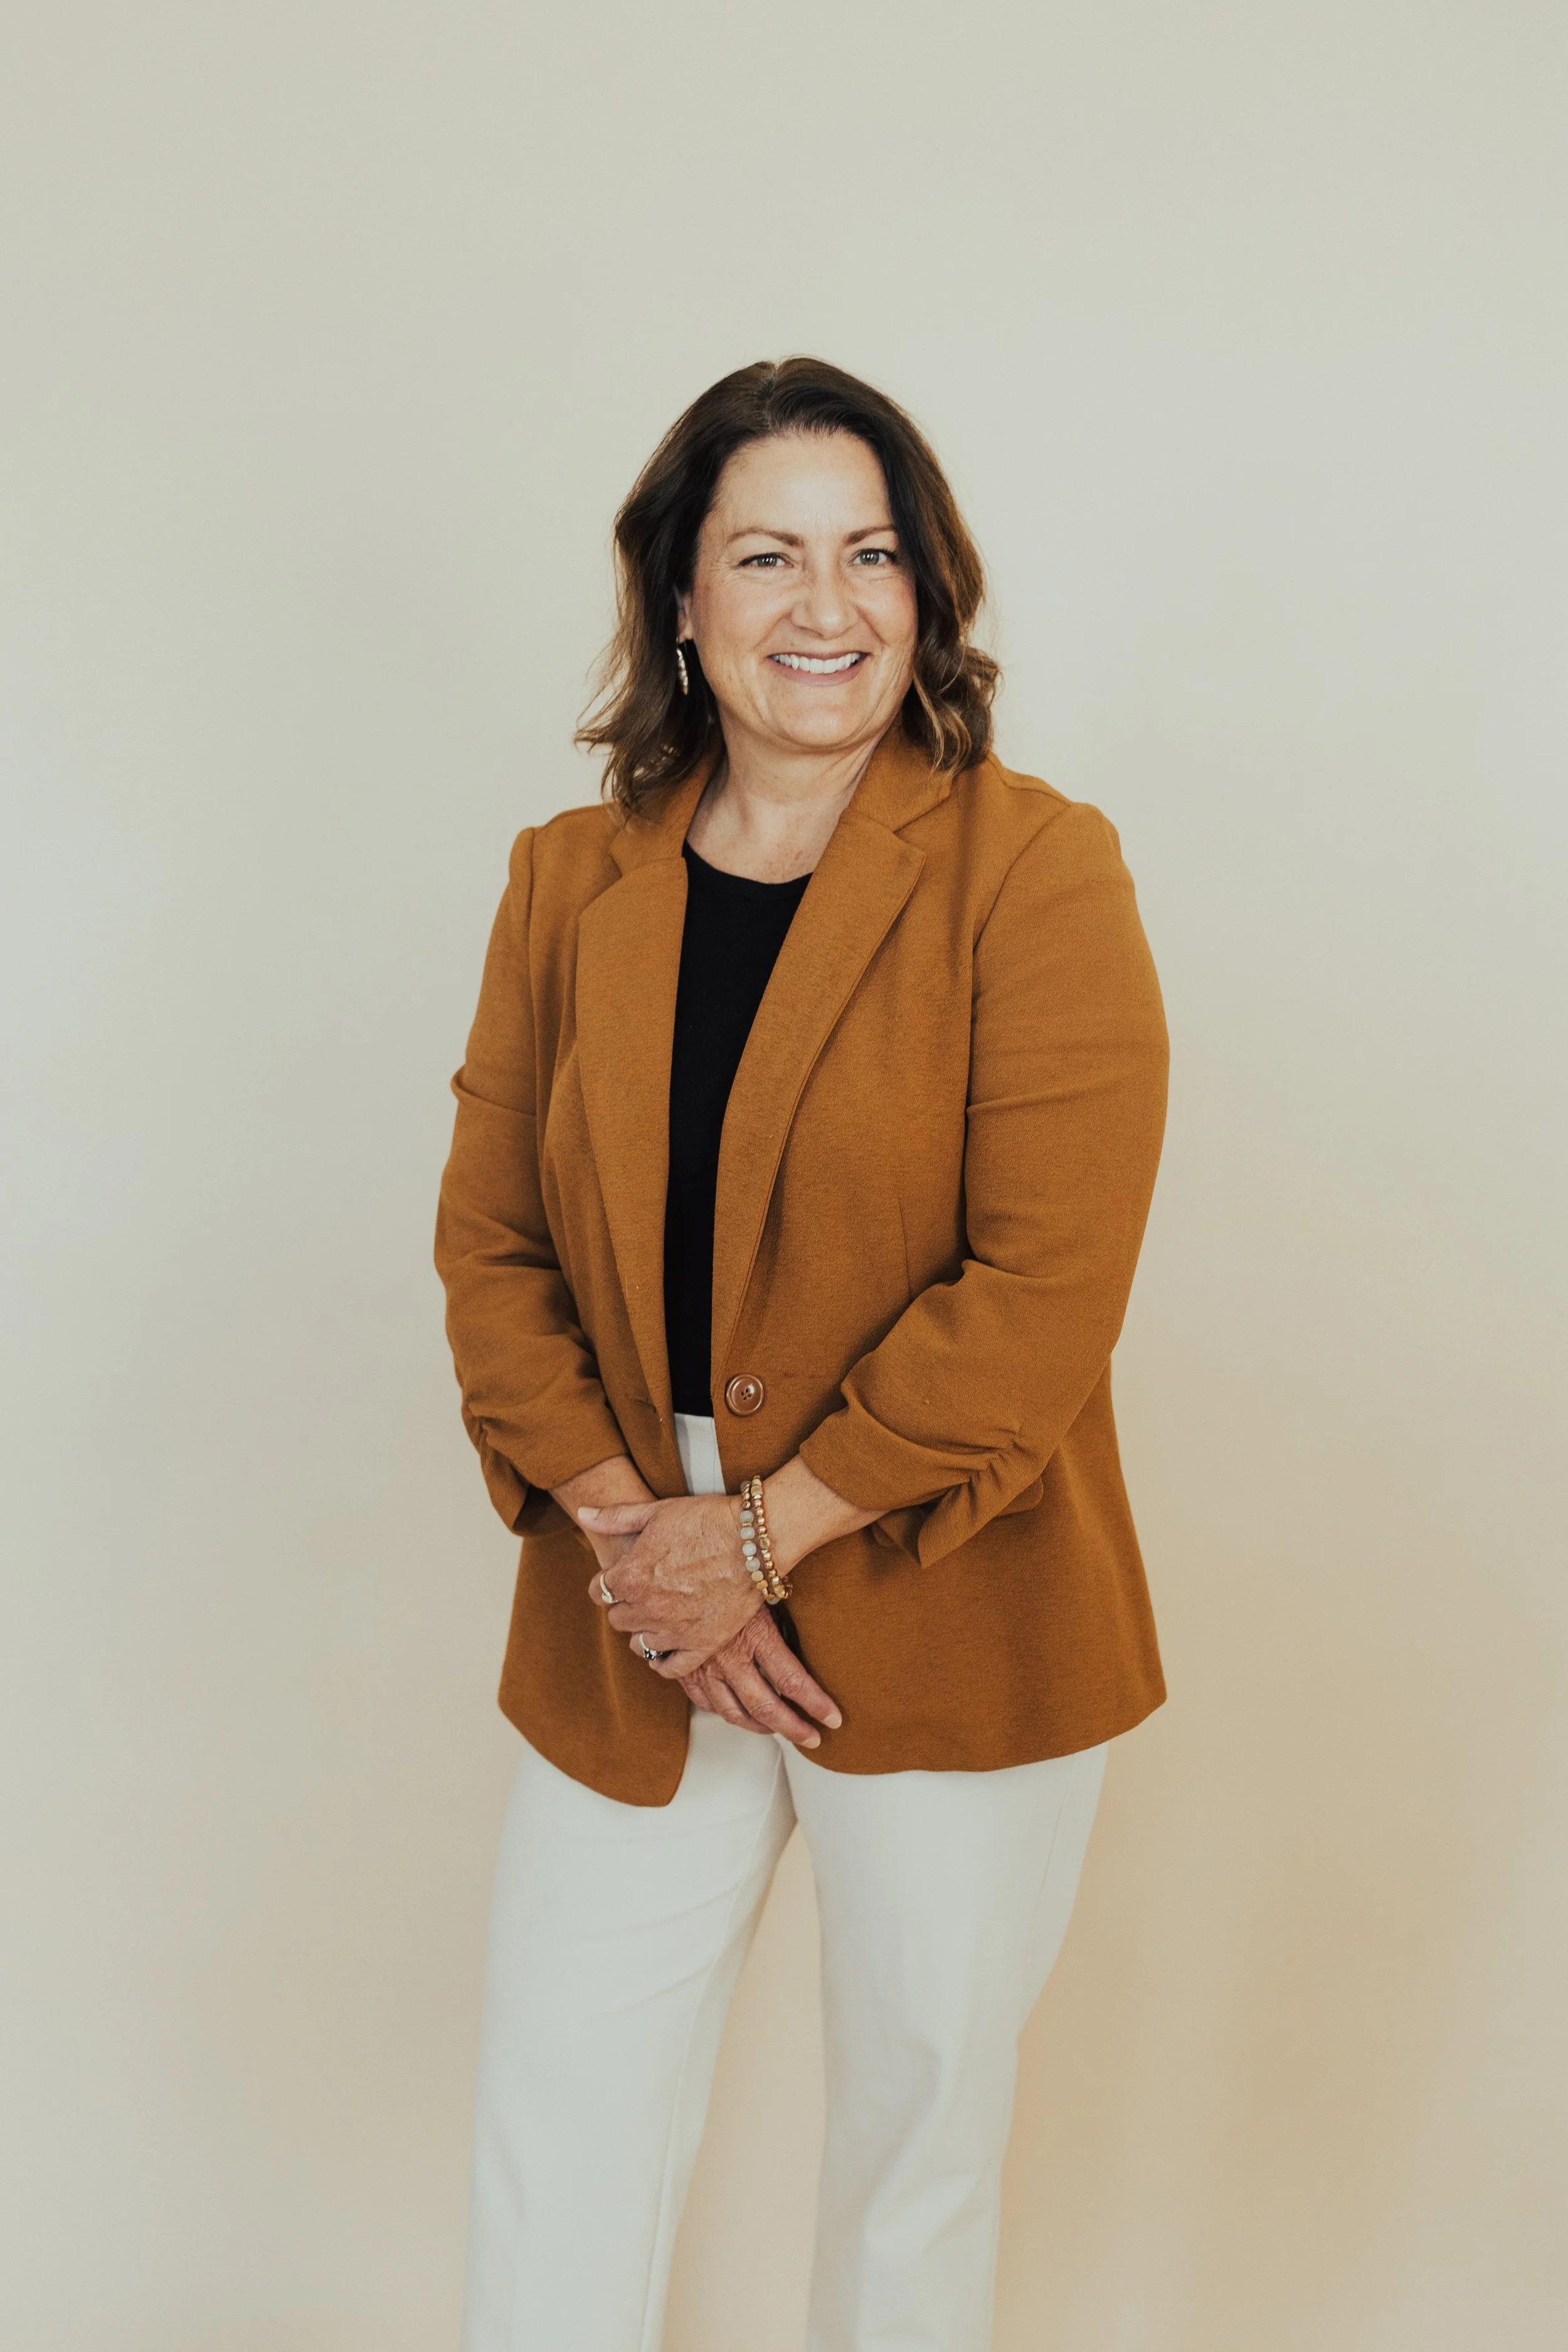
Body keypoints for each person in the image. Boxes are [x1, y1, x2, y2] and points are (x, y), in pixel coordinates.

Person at [435, 355, 1168, 2352]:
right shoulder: (562, 882)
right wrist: (641, 1534)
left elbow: (1042, 1284)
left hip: (935, 1555)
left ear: (927, 597)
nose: (822, 604)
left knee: (914, 2131)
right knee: (560, 2092)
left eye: (871, 555)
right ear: (679, 594)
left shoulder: (1037, 867)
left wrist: (760, 1533)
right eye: (764, 552)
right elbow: (492, 1252)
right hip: (626, 1570)